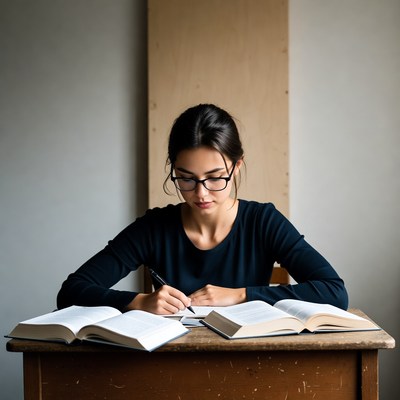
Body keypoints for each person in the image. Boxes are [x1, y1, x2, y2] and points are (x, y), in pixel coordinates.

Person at [57, 104, 348, 314]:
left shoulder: (262, 221)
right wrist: (138, 302)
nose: (200, 193)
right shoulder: (154, 227)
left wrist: (241, 295)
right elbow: (71, 291)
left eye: (215, 177)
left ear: (236, 168)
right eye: (186, 179)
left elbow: (334, 292)